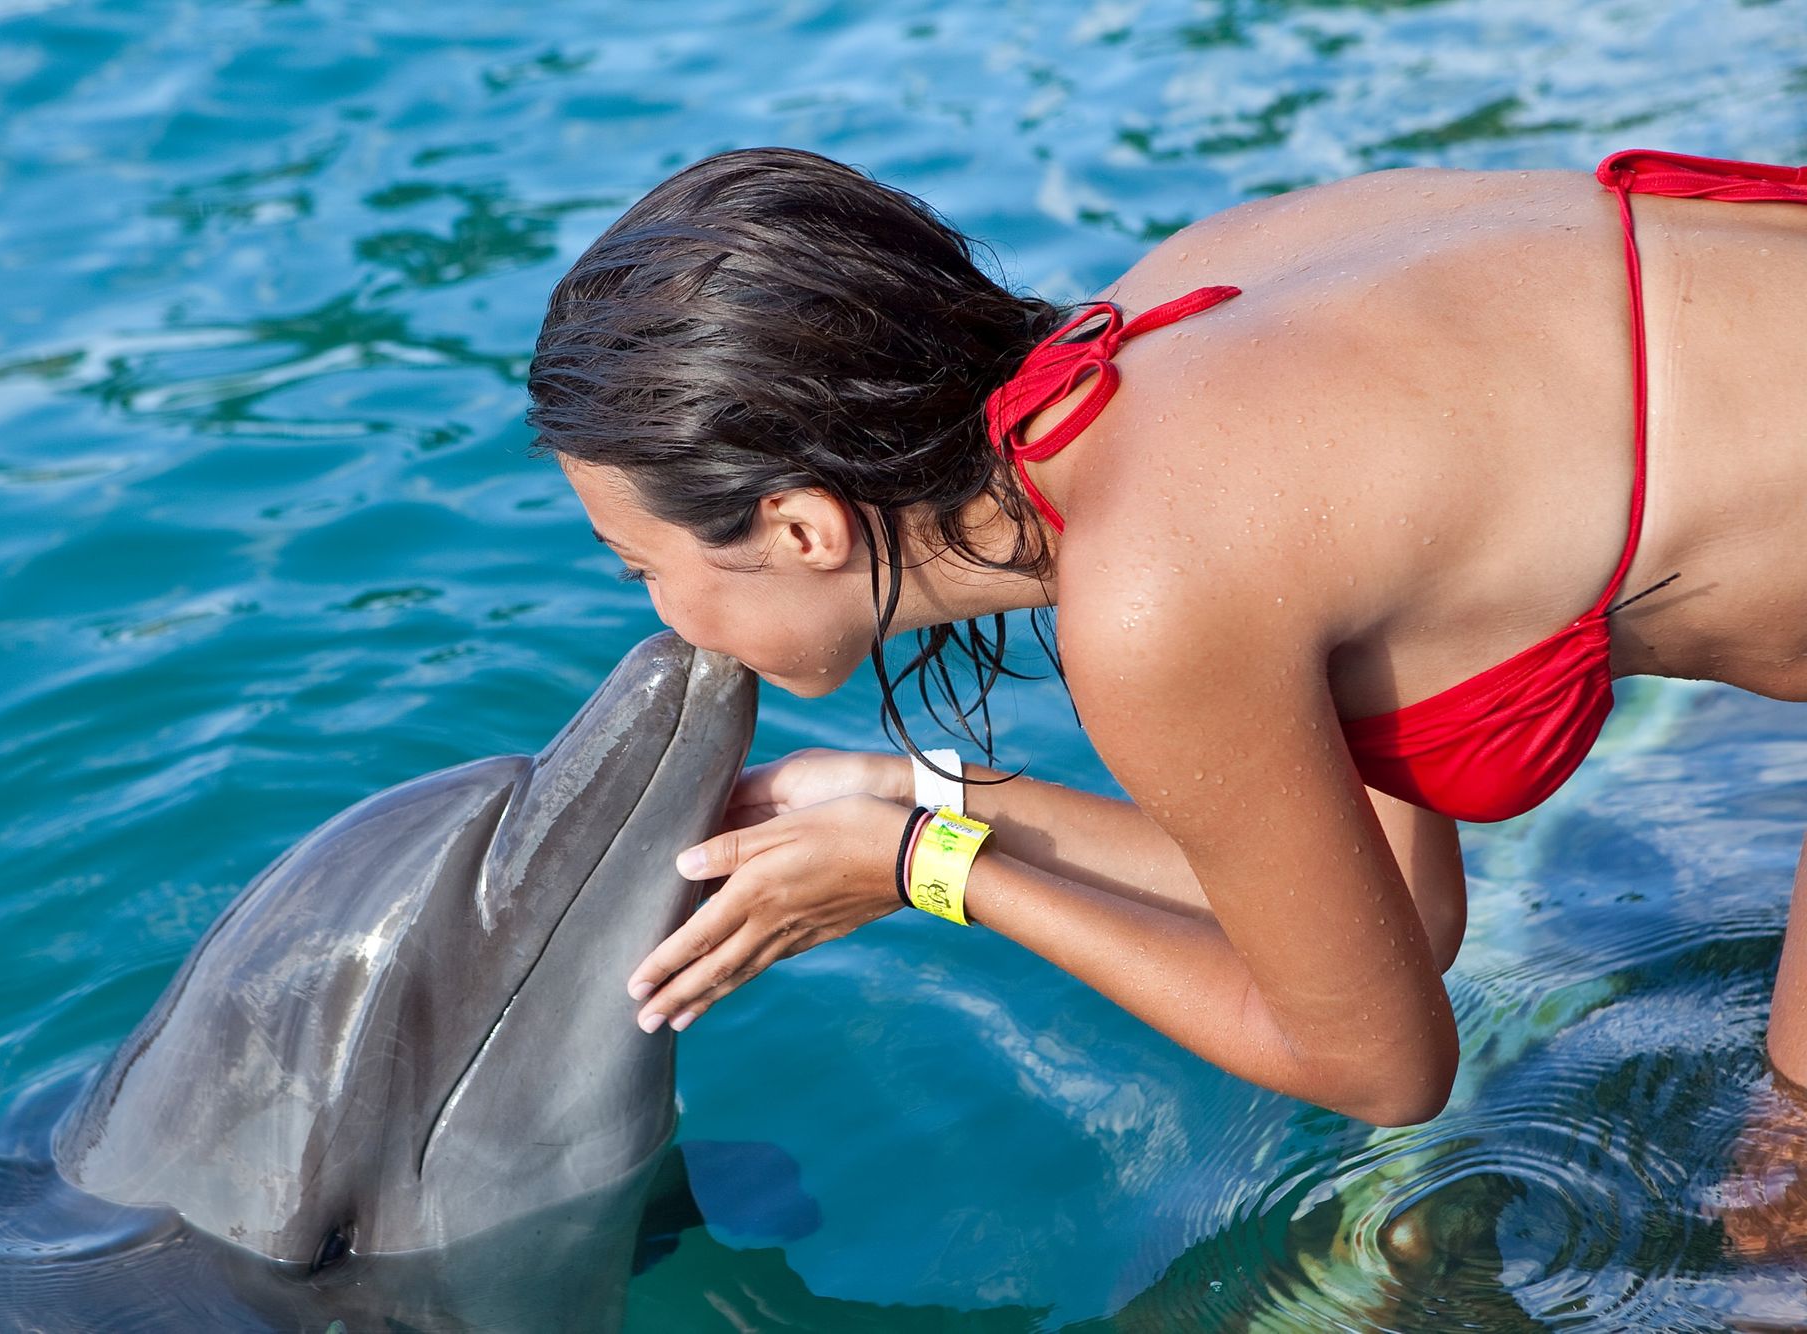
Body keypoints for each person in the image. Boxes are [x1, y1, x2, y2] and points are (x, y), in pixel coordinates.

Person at [527, 145, 1807, 1128]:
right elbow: (1393, 918)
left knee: (1777, 1192)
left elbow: (1382, 1066)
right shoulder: (1164, 319)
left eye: (643, 567)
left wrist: (926, 869)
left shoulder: (1153, 594)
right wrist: (905, 796)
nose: (658, 619)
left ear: (801, 527)